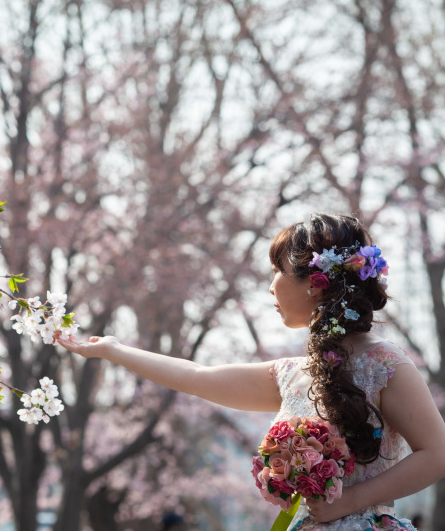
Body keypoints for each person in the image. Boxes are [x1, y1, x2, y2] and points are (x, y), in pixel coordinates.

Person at [57, 213, 445, 530]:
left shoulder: (386, 363)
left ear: (314, 284)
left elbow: (437, 453)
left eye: (277, 270)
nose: (270, 287)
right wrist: (115, 351)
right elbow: (198, 377)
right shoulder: (292, 373)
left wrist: (351, 500)